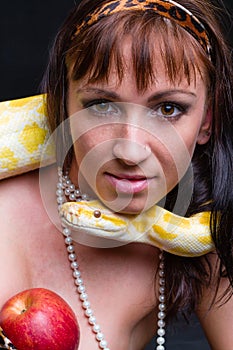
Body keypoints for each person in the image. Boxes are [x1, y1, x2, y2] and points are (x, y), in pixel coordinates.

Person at [0, 0, 233, 349]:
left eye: (168, 109)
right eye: (101, 105)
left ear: (206, 121)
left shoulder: (203, 236)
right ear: (61, 103)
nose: (130, 150)